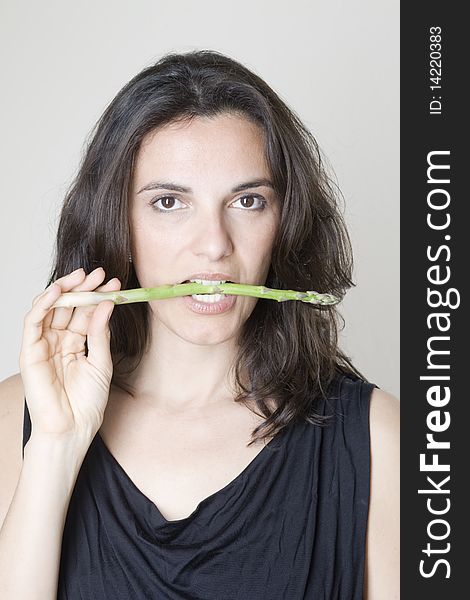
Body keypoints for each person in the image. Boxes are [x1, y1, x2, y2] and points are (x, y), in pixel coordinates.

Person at [0, 50, 399, 599]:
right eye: (169, 202)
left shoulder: (381, 438)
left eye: (247, 201)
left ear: (284, 221)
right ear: (119, 222)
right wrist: (55, 445)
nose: (214, 245)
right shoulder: (16, 420)